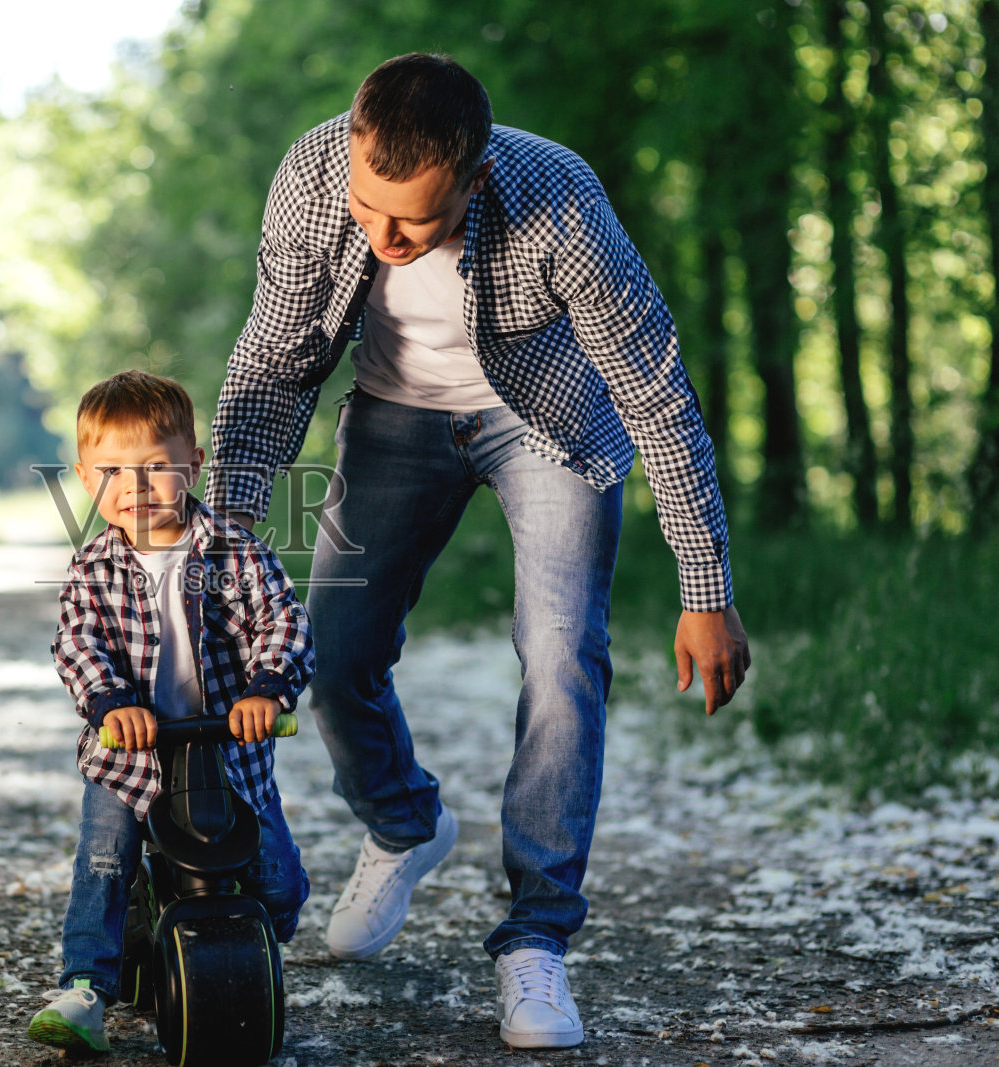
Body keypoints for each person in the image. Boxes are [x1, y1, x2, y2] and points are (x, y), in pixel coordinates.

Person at [203, 53, 751, 1050]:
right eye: (368, 209)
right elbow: (273, 365)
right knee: (330, 650)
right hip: (393, 415)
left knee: (562, 651)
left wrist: (704, 587)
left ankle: (536, 935)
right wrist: (226, 543)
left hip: (549, 422)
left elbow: (656, 393)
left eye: (412, 221)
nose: (383, 239)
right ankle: (405, 823)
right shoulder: (313, 174)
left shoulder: (561, 202)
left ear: (476, 175)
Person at [28, 369, 315, 1054]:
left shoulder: (235, 552)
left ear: (193, 464)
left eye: (156, 466)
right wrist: (111, 703)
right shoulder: (93, 567)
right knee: (104, 861)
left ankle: (252, 944)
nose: (135, 485)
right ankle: (86, 988)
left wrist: (267, 688)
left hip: (227, 750)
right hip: (129, 758)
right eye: (112, 471)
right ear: (85, 478)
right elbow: (77, 643)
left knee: (276, 882)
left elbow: (284, 621)